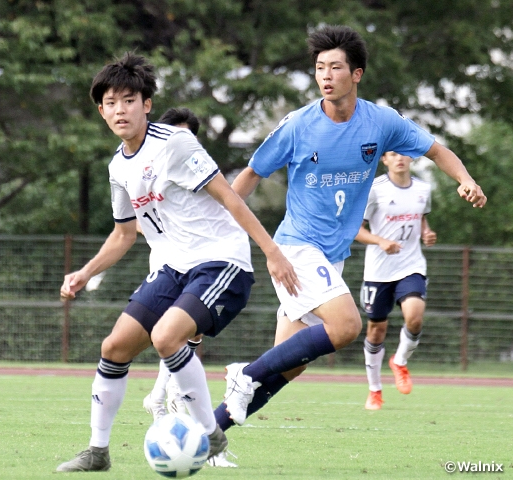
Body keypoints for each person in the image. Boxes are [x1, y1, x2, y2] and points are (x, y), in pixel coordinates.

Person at [215, 24, 486, 431]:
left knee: (289, 364)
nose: (325, 75)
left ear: (356, 74)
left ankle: (209, 434)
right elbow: (251, 174)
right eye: (320, 67)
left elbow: (436, 149)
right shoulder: (298, 125)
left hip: (332, 254)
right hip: (297, 246)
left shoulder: (380, 122)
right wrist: (228, 228)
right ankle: (245, 373)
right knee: (346, 326)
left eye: (335, 67)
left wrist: (465, 179)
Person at [55, 52, 300, 473]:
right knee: (114, 347)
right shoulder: (118, 166)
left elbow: (229, 197)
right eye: (111, 103)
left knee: (168, 337)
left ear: (146, 104)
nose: (120, 110)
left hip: (221, 261)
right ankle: (97, 452)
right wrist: (85, 271)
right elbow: (123, 234)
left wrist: (271, 252)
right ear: (101, 110)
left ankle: (208, 432)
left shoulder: (175, 142)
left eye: (129, 100)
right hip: (173, 268)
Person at [356, 152, 437, 410]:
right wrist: (380, 241)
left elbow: (420, 217)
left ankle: (400, 361)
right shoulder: (374, 190)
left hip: (411, 264)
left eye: (403, 153)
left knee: (414, 316)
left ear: (411, 158)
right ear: (384, 160)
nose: (399, 158)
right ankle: (375, 390)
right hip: (378, 271)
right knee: (376, 330)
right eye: (392, 154)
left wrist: (426, 232)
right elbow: (354, 229)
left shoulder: (423, 188)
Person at [141, 107, 202, 421]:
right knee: (178, 328)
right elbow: (132, 222)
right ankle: (169, 396)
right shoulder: (149, 170)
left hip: (197, 254)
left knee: (195, 330)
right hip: (169, 258)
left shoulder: (195, 170)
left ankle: (162, 395)